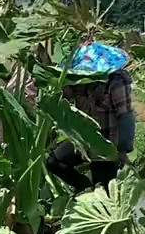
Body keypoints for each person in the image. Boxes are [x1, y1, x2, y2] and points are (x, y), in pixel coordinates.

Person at [47, 42, 135, 193]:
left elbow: (125, 117)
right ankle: (84, 186)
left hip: (107, 144)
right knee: (53, 161)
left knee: (102, 191)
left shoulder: (116, 84)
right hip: (83, 139)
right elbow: (63, 99)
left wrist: (122, 149)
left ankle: (95, 194)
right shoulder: (77, 81)